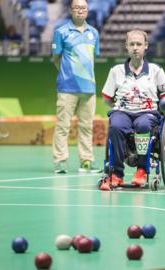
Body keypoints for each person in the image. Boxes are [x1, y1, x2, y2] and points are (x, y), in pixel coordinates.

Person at [99, 29, 165, 191]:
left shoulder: (156, 70)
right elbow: (107, 97)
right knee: (116, 125)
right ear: (126, 46)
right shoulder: (116, 71)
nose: (135, 48)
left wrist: (164, 105)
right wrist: (119, 106)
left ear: (145, 46)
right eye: (131, 44)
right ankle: (117, 174)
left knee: (142, 125)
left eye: (139, 44)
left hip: (147, 113)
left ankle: (141, 170)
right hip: (123, 111)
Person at [51, 0, 101, 174]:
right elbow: (56, 58)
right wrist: (68, 73)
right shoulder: (61, 32)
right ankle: (60, 161)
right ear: (71, 10)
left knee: (87, 126)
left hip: (89, 88)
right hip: (67, 87)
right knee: (63, 126)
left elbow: (92, 59)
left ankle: (86, 162)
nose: (81, 10)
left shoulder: (93, 33)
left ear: (87, 11)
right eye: (77, 8)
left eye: (84, 8)